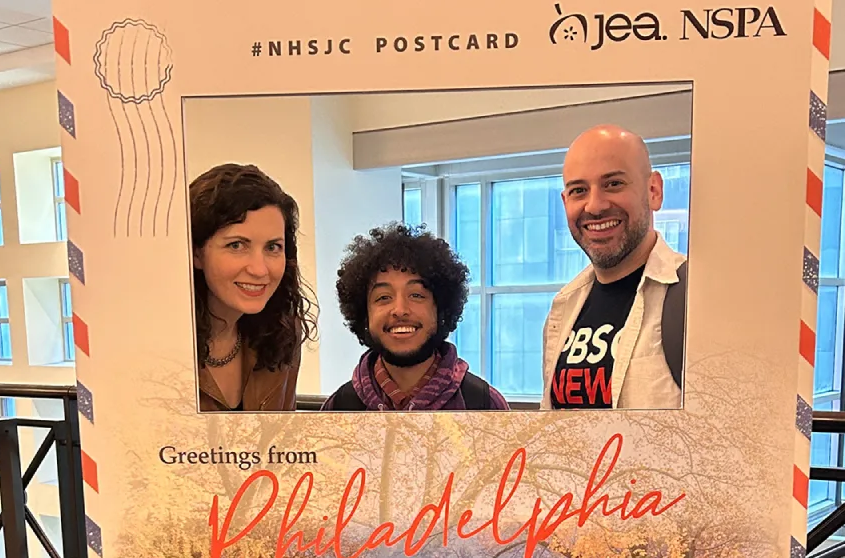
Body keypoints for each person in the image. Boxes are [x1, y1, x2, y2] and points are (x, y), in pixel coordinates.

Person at [542, 125, 687, 411]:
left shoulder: (694, 299)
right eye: (578, 190)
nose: (594, 206)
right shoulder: (563, 307)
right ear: (565, 201)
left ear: (654, 191)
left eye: (613, 184)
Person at [323, 223, 508, 412]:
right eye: (384, 297)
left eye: (416, 295)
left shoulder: (485, 405)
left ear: (441, 309)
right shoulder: (338, 409)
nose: (400, 310)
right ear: (364, 314)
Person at [191, 163, 317, 411]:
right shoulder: (155, 340)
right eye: (237, 245)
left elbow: (281, 445)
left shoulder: (283, 331)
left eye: (272, 247)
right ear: (196, 252)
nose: (259, 270)